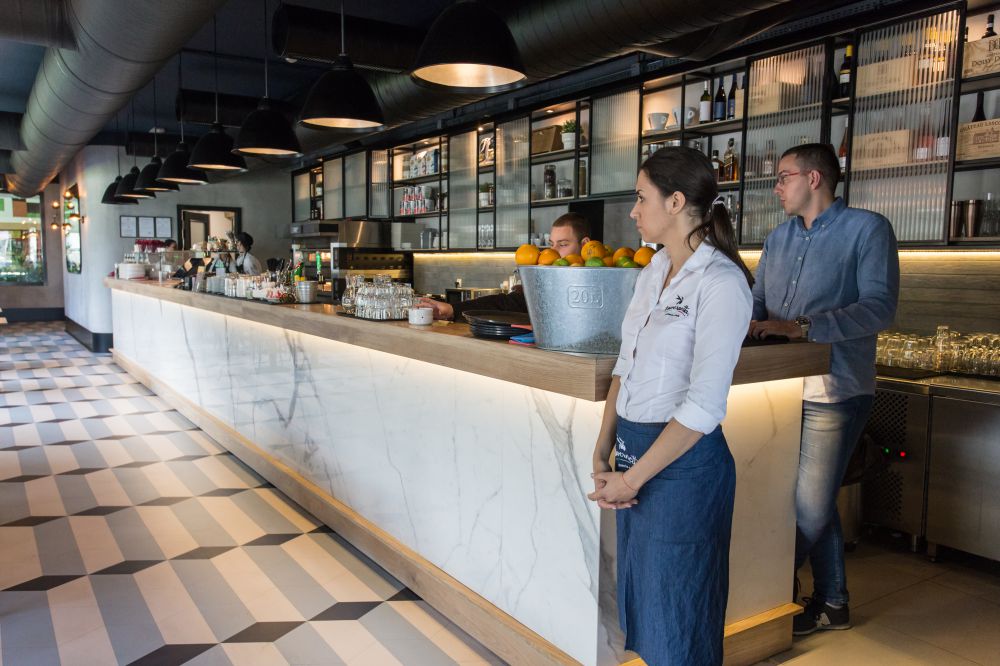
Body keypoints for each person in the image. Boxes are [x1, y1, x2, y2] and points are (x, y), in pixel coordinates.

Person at [588, 146, 754, 666]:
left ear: (676, 201)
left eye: (642, 198)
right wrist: (603, 448)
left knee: (683, 613)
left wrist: (632, 481)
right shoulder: (654, 269)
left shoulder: (721, 282)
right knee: (649, 606)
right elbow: (625, 364)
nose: (633, 211)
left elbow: (704, 406)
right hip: (633, 455)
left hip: (684, 468)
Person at [748, 143, 899, 635]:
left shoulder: (868, 229)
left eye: (783, 176)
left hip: (837, 388)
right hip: (780, 387)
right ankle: (833, 602)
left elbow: (879, 307)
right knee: (814, 497)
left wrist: (803, 327)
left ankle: (760, 584)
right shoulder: (778, 237)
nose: (776, 187)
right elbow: (757, 302)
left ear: (813, 178)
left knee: (810, 506)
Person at [415, 212, 591, 321]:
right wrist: (452, 309)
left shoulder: (597, 282)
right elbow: (504, 303)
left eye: (563, 244)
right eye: (551, 244)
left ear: (584, 245)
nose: (553, 252)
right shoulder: (544, 281)